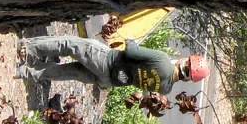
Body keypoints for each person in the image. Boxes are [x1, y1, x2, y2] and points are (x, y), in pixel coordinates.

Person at [15, 35, 208, 95]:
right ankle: (26, 72)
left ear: (186, 62)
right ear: (188, 79)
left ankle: (29, 48)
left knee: (71, 45)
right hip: (109, 81)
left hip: (107, 60)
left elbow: (131, 52)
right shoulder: (166, 89)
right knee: (67, 71)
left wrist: (131, 40)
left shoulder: (163, 60)